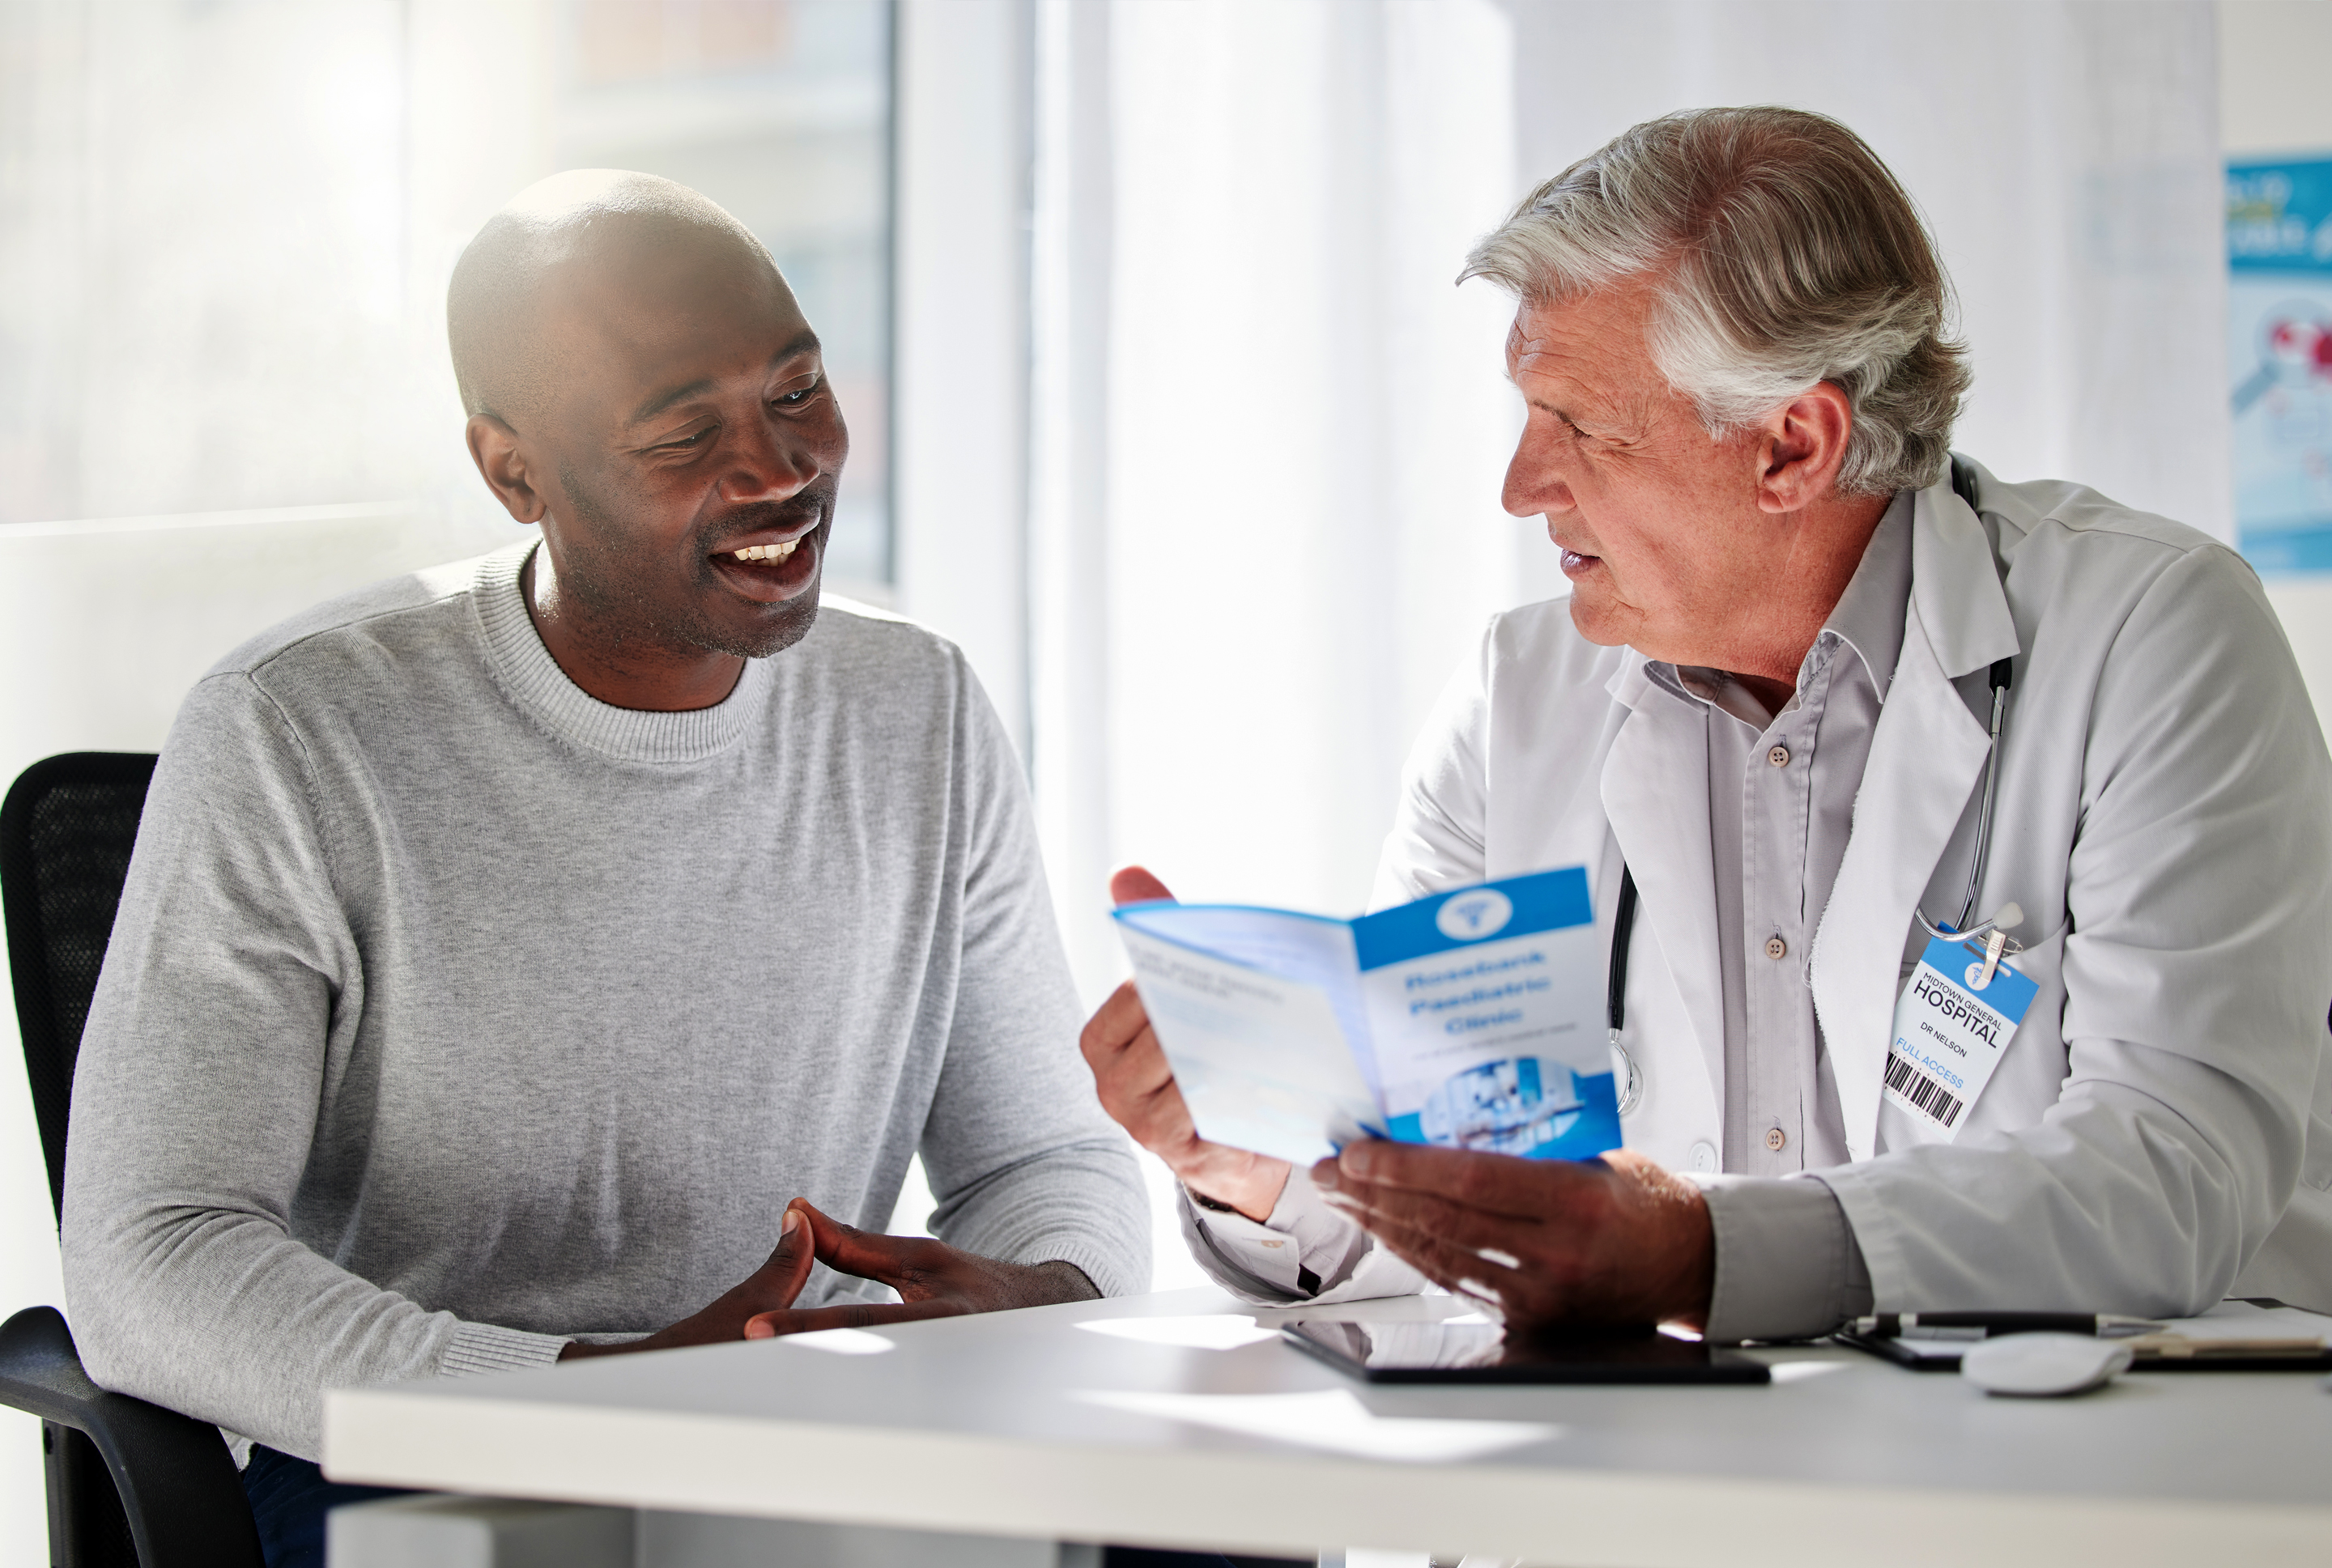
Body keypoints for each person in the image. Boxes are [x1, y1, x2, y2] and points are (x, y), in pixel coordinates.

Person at [1083, 106, 2332, 1341]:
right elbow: (1439, 1193)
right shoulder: (1517, 705)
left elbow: (2174, 1169)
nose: (1519, 486)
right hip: (1668, 1459)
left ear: (1792, 445)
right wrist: (1259, 1163)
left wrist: (1706, 1250)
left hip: (2074, 1457)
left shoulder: (2154, 636)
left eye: (1581, 426)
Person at [62, 171, 1147, 1564]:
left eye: (798, 389)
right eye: (686, 431)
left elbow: (1045, 1155)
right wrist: (589, 1398)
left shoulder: (916, 708)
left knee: (1215, 1530)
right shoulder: (293, 731)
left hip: (817, 1445)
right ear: (514, 472)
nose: (779, 468)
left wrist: (1042, 1295)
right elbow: (151, 1253)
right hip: (435, 1468)